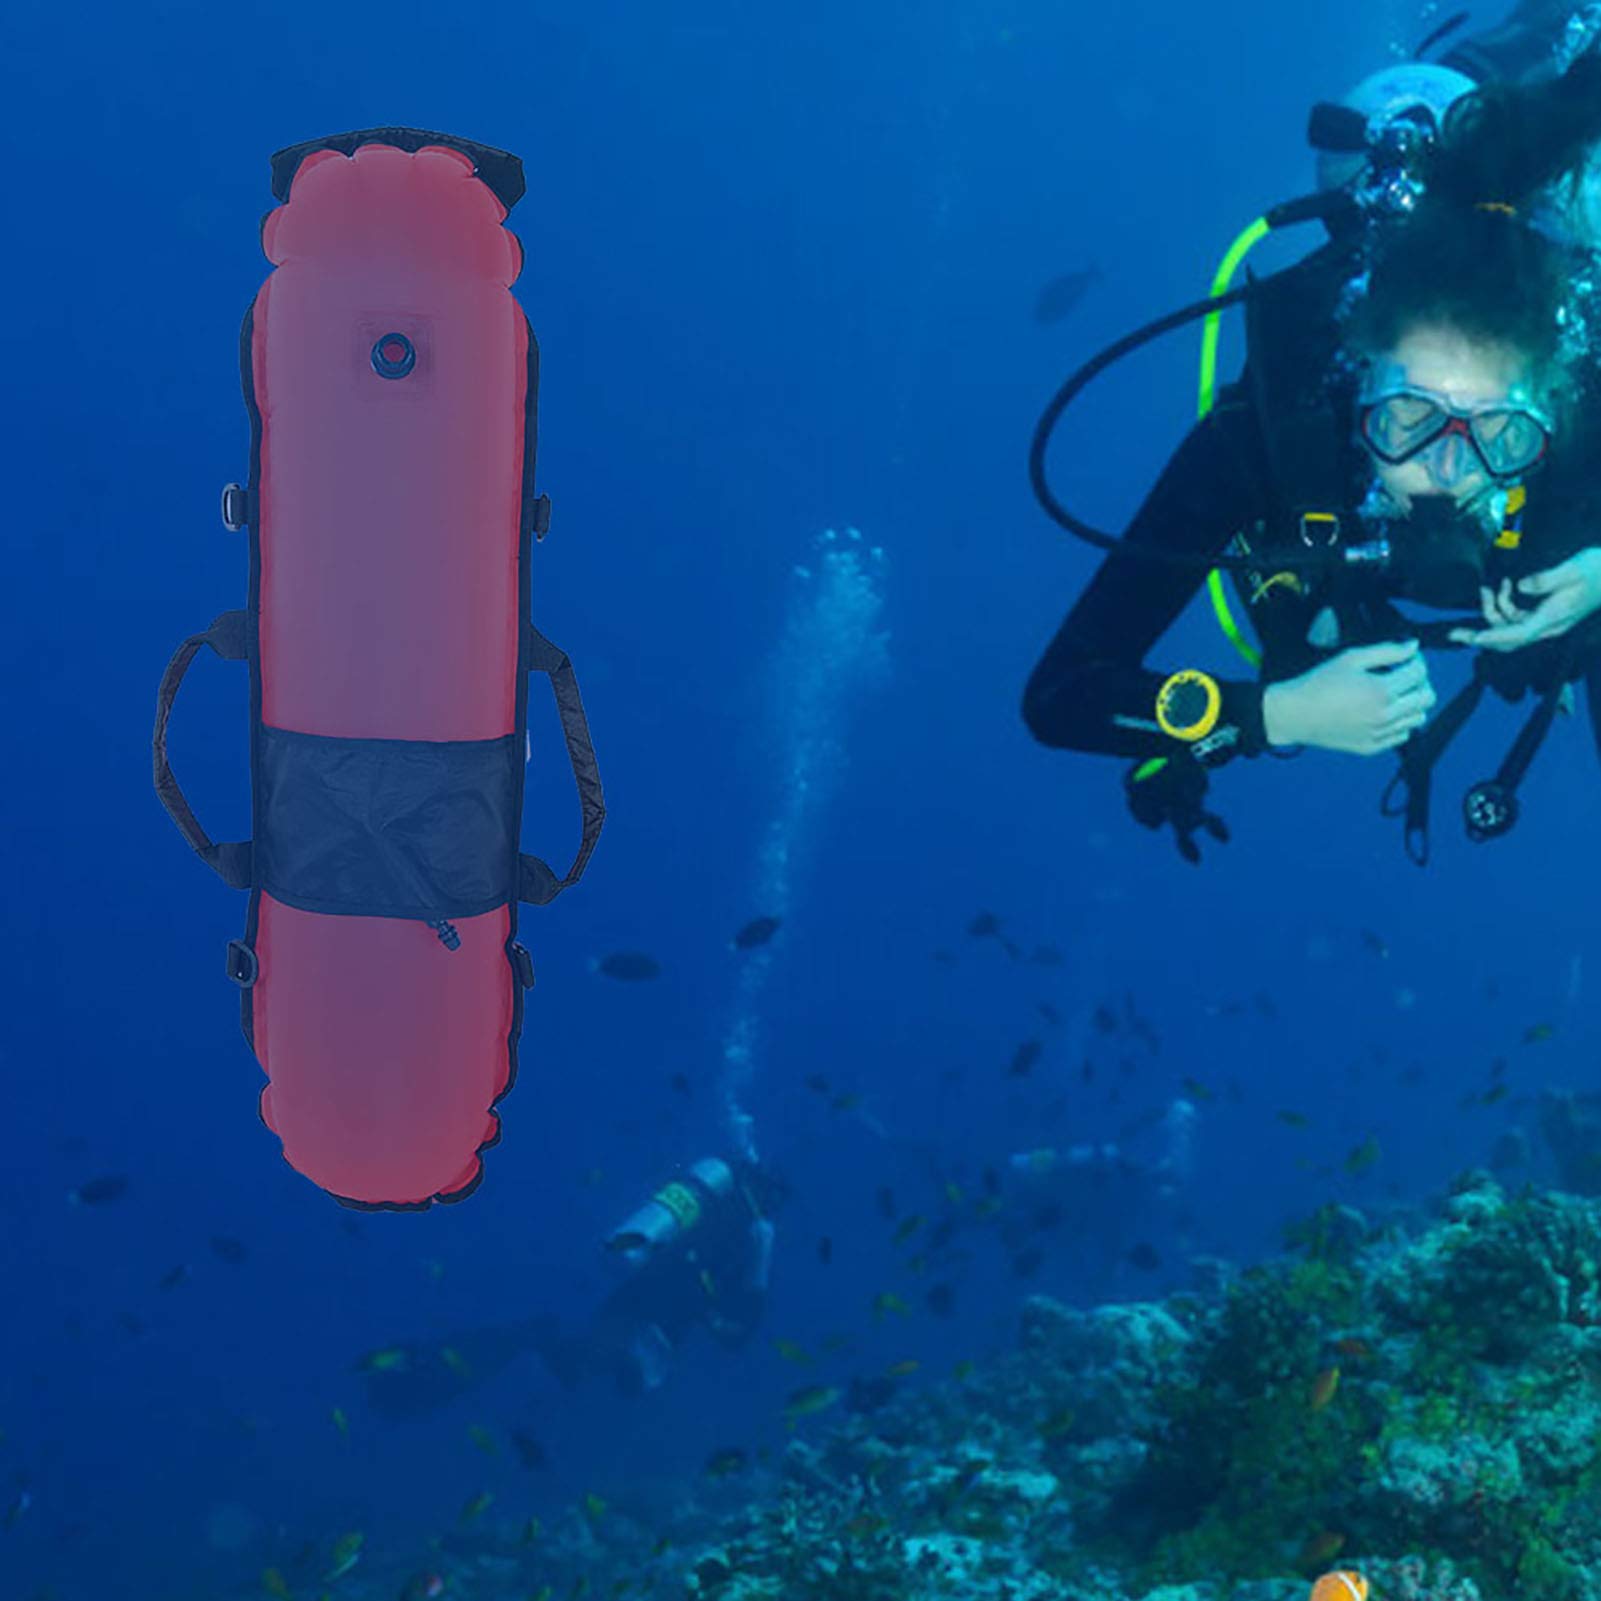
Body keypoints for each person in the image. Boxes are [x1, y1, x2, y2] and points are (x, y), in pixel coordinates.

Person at [1023, 50, 1601, 864]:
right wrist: (1275, 714)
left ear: (1550, 407)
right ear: (1357, 382)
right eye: (1407, 417)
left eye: (1502, 434)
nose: (1447, 466)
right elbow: (1061, 694)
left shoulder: (1585, 399)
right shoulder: (1274, 433)